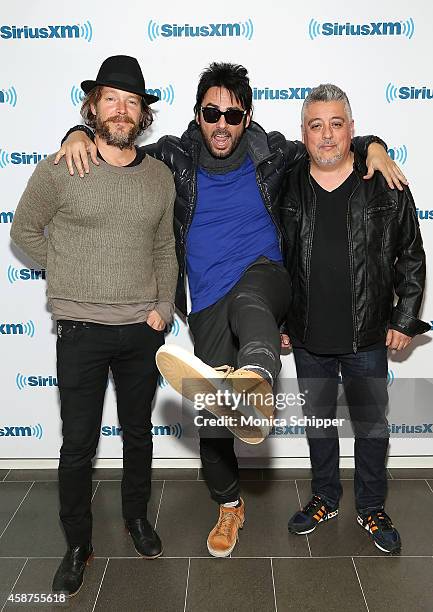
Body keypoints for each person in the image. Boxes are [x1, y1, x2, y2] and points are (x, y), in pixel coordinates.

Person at [55, 62, 405, 558]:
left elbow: (331, 142)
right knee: (213, 417)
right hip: (206, 303)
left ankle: (257, 379)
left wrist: (373, 145)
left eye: (233, 114)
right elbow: (119, 146)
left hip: (265, 277)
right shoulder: (171, 158)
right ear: (198, 115)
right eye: (211, 112)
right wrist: (76, 132)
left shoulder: (275, 154)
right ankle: (230, 503)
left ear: (247, 117)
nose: (222, 123)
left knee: (251, 298)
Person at [10, 55, 177, 596]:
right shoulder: (63, 165)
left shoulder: (158, 176)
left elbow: (164, 247)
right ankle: (78, 542)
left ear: (143, 113)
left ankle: (136, 519)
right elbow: (24, 231)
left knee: (137, 435)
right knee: (77, 443)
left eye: (132, 101)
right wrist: (67, 277)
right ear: (93, 106)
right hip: (80, 329)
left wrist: (163, 308)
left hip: (141, 329)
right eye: (112, 99)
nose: (122, 110)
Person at [283, 83, 429, 554]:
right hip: (306, 335)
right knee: (318, 423)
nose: (327, 136)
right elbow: (273, 260)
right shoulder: (285, 182)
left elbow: (411, 254)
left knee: (371, 426)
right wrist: (279, 322)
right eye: (316, 125)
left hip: (367, 335)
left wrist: (405, 319)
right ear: (303, 133)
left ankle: (371, 506)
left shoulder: (382, 182)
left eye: (337, 124)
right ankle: (325, 497)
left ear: (352, 129)